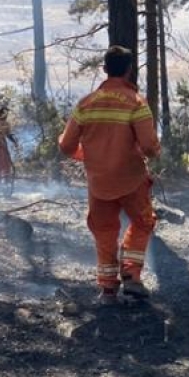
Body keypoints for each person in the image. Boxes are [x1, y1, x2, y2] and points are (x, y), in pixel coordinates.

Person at [59, 46, 161, 304]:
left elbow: (65, 146)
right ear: (129, 70)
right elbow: (150, 147)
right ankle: (131, 275)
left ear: (104, 69)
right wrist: (152, 153)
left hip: (98, 183)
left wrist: (90, 156)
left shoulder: (86, 104)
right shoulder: (136, 103)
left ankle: (107, 289)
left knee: (104, 231)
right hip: (132, 179)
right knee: (143, 221)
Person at [0, 106, 18, 192]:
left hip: (3, 144)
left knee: (6, 163)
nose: (6, 116)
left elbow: (8, 134)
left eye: (7, 114)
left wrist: (14, 142)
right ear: (1, 113)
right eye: (5, 113)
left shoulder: (6, 124)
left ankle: (6, 182)